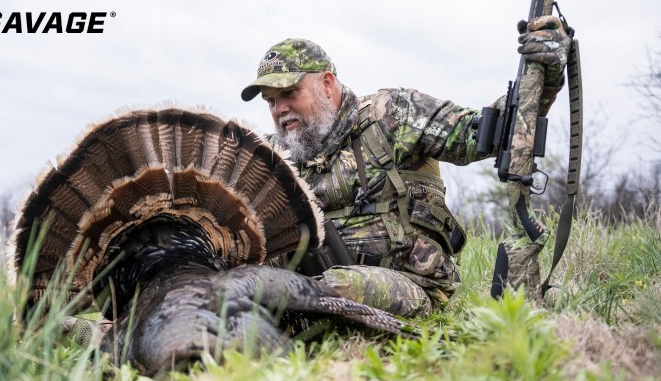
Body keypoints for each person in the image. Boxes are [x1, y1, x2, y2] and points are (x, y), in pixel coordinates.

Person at [240, 16, 571, 317]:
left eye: (289, 93)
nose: (279, 108)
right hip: (305, 291)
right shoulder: (271, 157)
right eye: (271, 101)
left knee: (331, 289)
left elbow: (486, 133)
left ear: (327, 83)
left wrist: (544, 76)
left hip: (407, 285)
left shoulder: (393, 115)